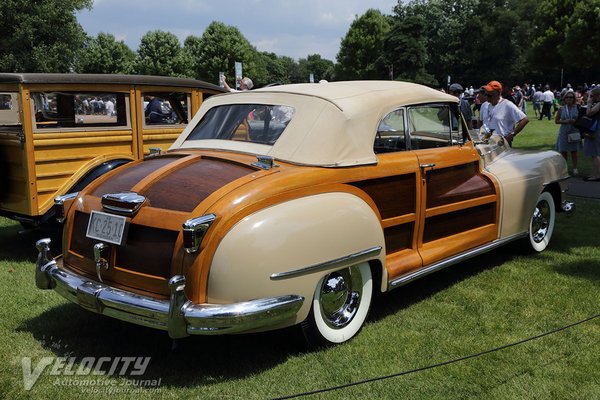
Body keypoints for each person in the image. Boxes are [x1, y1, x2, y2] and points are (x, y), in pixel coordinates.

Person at [479, 80, 529, 146]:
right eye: (486, 94)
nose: (487, 97)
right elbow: (481, 122)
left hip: (502, 144)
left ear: (498, 93)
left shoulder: (507, 105)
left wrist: (511, 135)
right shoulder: (484, 105)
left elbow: (524, 119)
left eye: (490, 95)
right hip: (487, 143)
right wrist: (481, 136)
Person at [554, 92, 580, 175]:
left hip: (574, 130)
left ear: (574, 99)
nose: (569, 99)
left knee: (574, 151)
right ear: (564, 99)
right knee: (563, 150)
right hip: (564, 131)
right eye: (567, 97)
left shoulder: (577, 108)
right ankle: (564, 168)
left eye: (571, 97)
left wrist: (575, 121)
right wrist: (565, 121)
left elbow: (582, 120)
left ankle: (575, 168)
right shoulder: (561, 109)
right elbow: (556, 121)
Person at [582, 87, 600, 181]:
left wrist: (589, 103)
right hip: (596, 129)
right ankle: (595, 173)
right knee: (595, 153)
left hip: (595, 130)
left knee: (595, 153)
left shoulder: (599, 104)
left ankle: (597, 175)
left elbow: (589, 113)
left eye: (593, 95)